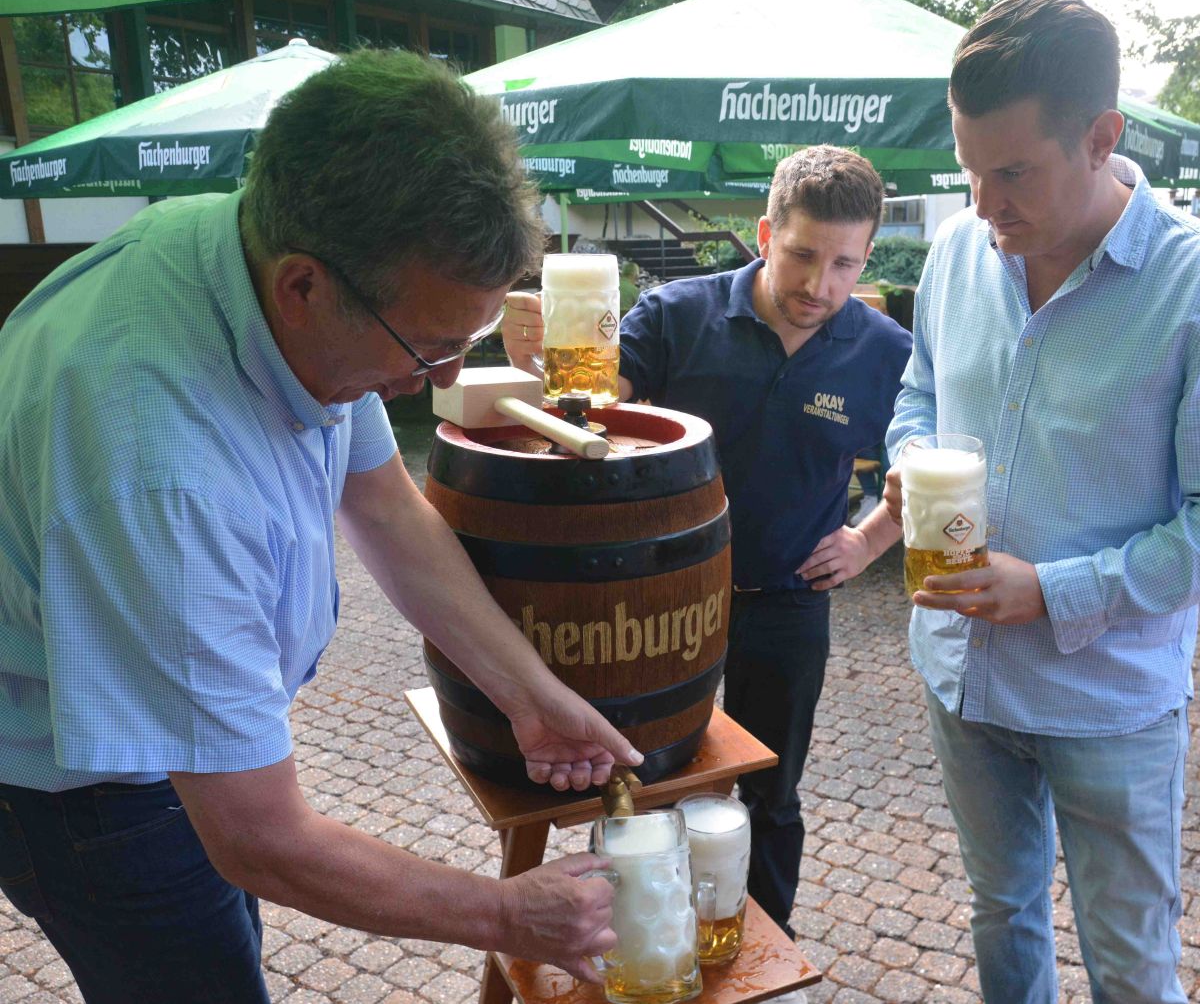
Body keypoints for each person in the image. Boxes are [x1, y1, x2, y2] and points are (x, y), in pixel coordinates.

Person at [0, 50, 643, 1004]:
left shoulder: (260, 260)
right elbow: (261, 836)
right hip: (89, 794)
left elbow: (383, 502)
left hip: (162, 730)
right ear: (304, 286)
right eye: (429, 350)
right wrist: (508, 914)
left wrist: (527, 688)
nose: (443, 382)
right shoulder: (162, 467)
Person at [504, 146, 911, 960]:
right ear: (765, 232)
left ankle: (762, 945)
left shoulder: (883, 350)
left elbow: (925, 457)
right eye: (801, 254)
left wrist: (868, 540)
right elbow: (591, 419)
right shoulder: (675, 315)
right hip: (656, 601)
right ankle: (634, 939)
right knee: (641, 779)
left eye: (844, 264)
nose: (819, 286)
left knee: (772, 790)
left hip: (788, 601)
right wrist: (546, 376)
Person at [882, 0, 1198, 1001]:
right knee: (1002, 911)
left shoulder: (1188, 287)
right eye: (969, 171)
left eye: (1012, 172)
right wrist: (904, 462)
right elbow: (919, 394)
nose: (983, 205)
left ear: (1102, 137)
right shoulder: (954, 254)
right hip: (963, 678)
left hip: (1107, 699)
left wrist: (1054, 589)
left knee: (1130, 963)